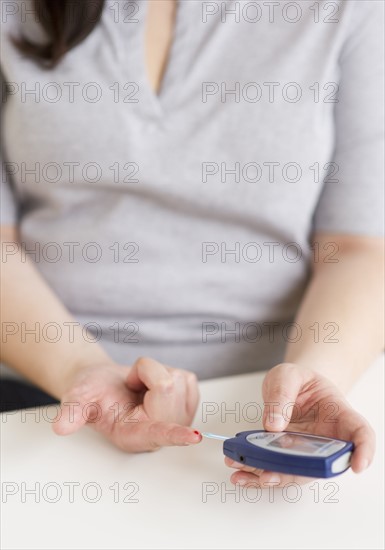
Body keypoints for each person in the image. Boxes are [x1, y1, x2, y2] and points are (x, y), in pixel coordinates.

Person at [0, 0, 383, 488]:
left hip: (264, 407)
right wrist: (82, 371)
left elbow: (360, 248)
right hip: (46, 390)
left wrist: (315, 378)